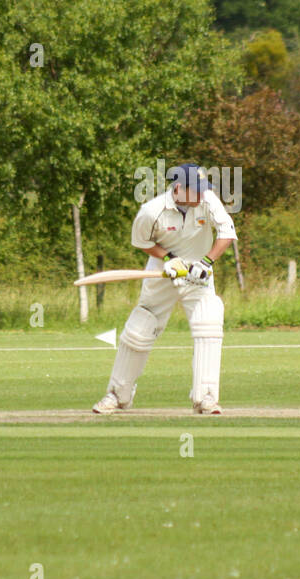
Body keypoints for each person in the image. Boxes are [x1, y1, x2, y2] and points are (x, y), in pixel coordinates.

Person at [94, 163, 237, 415]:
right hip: (163, 273)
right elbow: (142, 242)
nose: (202, 194)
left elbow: (226, 231)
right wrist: (169, 258)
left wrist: (206, 261)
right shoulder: (151, 211)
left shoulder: (207, 199)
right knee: (140, 330)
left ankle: (206, 398)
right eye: (197, 190)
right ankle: (117, 395)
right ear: (180, 188)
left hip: (198, 275)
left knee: (209, 323)